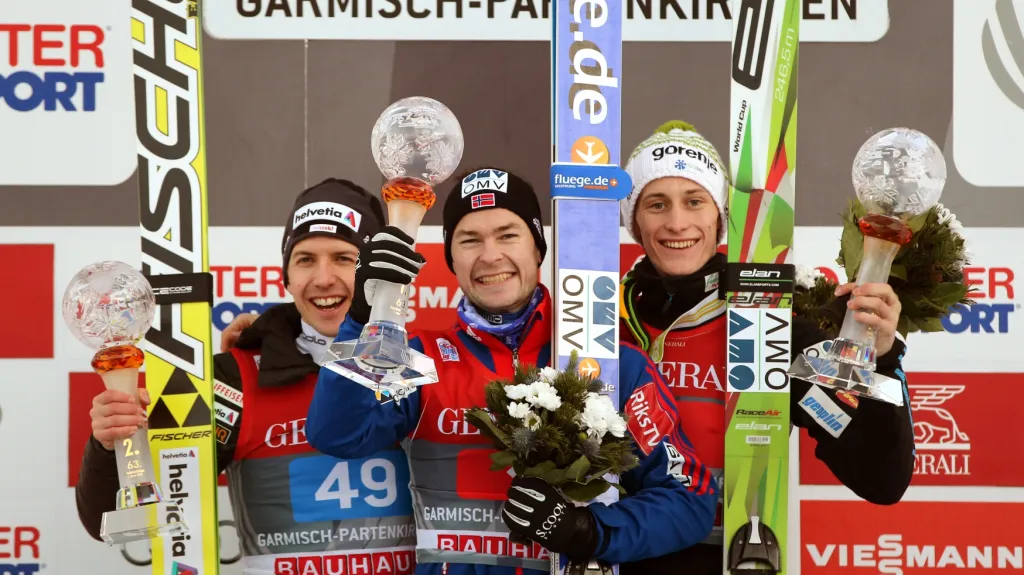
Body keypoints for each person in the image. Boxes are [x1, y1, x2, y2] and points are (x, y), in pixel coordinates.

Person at [303, 168, 719, 575]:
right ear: (450, 259)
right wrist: (360, 320)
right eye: (469, 240)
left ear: (538, 248)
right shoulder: (421, 360)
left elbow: (689, 499)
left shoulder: (610, 362)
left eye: (508, 234)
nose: (490, 255)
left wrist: (588, 531)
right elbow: (338, 434)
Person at [615, 122, 916, 574]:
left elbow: (882, 479)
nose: (676, 222)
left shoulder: (769, 323)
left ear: (719, 217)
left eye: (694, 201)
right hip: (613, 554)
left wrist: (884, 358)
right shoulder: (600, 323)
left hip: (731, 558)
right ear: (635, 222)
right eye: (657, 204)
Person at [75, 179, 419, 575]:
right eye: (305, 259)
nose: (323, 278)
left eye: (344, 257)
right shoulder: (235, 379)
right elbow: (110, 518)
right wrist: (111, 444)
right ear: (286, 277)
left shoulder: (417, 367)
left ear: (378, 270)